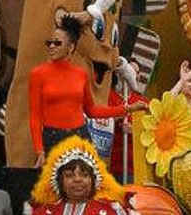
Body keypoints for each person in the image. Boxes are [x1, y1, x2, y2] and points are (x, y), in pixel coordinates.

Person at [28, 15, 146, 167]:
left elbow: (92, 111)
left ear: (70, 47)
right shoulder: (38, 74)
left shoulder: (80, 74)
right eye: (49, 43)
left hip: (80, 135)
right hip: (52, 137)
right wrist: (39, 151)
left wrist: (129, 108)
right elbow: (35, 116)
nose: (52, 47)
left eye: (57, 43)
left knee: (87, 185)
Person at [29, 135, 127, 215]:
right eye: (69, 175)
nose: (77, 179)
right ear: (59, 181)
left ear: (94, 180)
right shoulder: (43, 212)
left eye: (84, 175)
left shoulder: (111, 211)